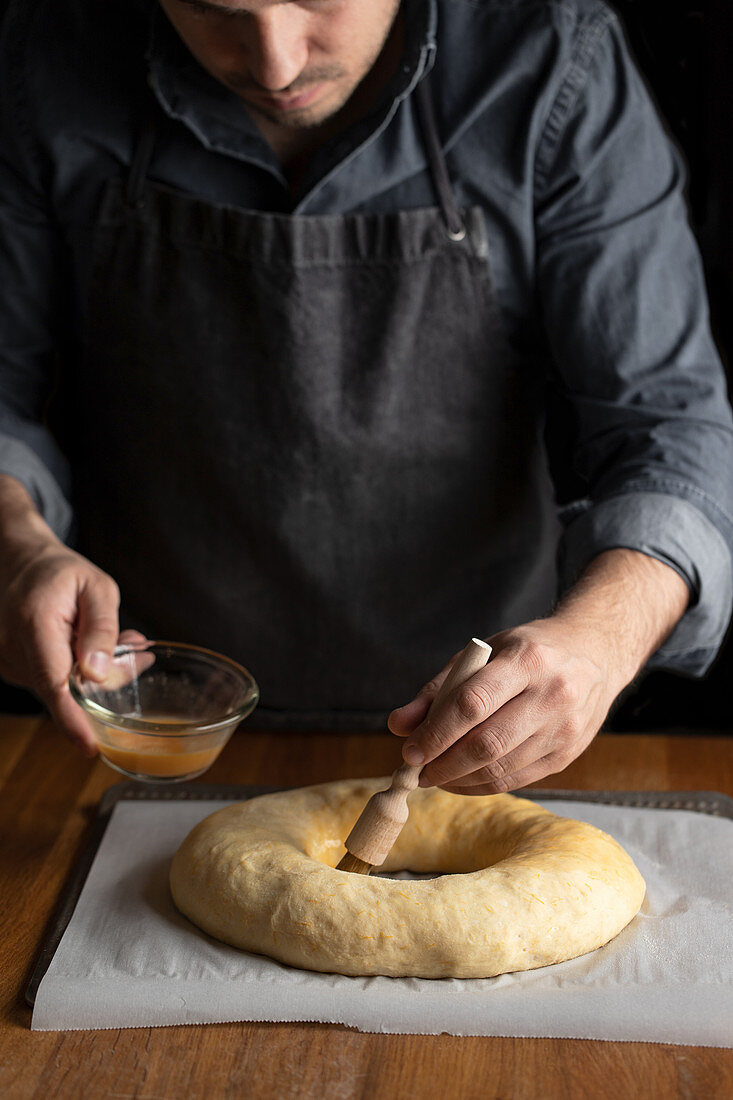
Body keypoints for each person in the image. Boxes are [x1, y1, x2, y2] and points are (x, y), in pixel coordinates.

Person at [0, 0, 731, 795]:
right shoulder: (46, 55)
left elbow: (668, 428)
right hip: (141, 729)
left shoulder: (553, 60)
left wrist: (598, 640)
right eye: (216, 10)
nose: (276, 65)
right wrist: (17, 545)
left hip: (486, 733)